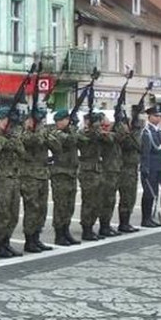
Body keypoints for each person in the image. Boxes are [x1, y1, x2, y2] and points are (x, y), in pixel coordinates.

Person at [19, 108, 56, 253]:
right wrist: (38, 131)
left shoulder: (43, 133)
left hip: (42, 175)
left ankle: (36, 237)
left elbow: (56, 146)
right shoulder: (24, 134)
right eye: (36, 121)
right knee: (32, 209)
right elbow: (33, 141)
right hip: (29, 177)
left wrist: (44, 132)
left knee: (42, 209)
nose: (39, 123)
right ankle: (29, 241)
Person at [0, 107, 25, 258]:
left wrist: (12, 137)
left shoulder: (13, 136)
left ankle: (7, 242)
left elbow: (22, 152)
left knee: (13, 214)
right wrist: (2, 132)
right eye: (7, 120)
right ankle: (0, 245)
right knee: (3, 213)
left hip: (15, 178)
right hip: (4, 179)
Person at [48, 109, 80, 246]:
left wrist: (73, 128)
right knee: (60, 206)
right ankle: (59, 234)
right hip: (60, 174)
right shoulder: (56, 133)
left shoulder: (68, 131)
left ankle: (66, 231)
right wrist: (74, 128)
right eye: (64, 120)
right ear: (58, 121)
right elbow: (71, 141)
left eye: (67, 120)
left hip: (71, 174)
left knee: (69, 206)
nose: (66, 123)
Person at [77, 111, 107, 240]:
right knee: (89, 201)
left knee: (97, 201)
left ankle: (92, 226)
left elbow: (108, 137)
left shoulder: (98, 133)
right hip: (87, 171)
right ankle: (86, 229)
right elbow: (90, 136)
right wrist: (93, 126)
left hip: (98, 170)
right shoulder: (83, 133)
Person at [140, 106, 161, 227]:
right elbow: (145, 152)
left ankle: (151, 217)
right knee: (149, 193)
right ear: (149, 117)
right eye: (156, 116)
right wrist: (145, 168)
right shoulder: (147, 132)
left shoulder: (159, 131)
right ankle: (146, 219)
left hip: (158, 166)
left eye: (160, 116)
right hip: (150, 167)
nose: (158, 118)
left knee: (154, 192)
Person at [97, 116, 123, 237]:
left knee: (111, 200)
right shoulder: (101, 135)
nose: (107, 127)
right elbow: (112, 138)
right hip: (105, 172)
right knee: (105, 201)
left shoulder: (112, 134)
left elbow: (122, 135)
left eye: (109, 124)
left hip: (114, 171)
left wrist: (119, 121)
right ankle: (103, 226)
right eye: (105, 125)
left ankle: (106, 225)